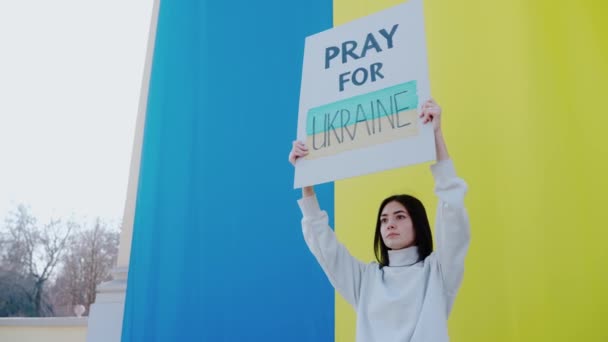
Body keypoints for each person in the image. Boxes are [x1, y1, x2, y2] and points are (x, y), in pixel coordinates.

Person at [288, 99, 470, 342]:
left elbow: (453, 212)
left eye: (400, 216)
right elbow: (324, 246)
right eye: (383, 220)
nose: (389, 224)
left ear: (419, 224)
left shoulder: (438, 272)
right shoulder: (366, 280)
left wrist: (436, 133)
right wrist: (306, 176)